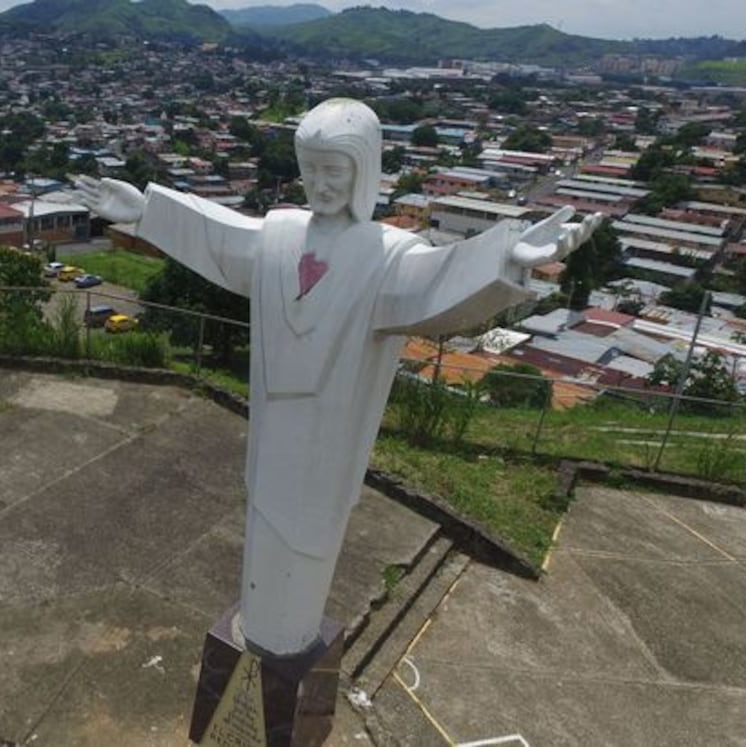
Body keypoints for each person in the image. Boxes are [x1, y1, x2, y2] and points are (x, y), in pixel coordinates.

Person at [77, 98, 601, 656]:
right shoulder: (279, 234)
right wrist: (146, 212)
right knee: (264, 534)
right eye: (311, 170)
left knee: (306, 543)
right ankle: (260, 635)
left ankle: (287, 642)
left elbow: (436, 283)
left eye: (335, 171)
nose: (320, 185)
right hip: (274, 431)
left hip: (328, 438)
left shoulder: (386, 254)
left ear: (363, 172)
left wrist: (506, 259)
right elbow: (223, 239)